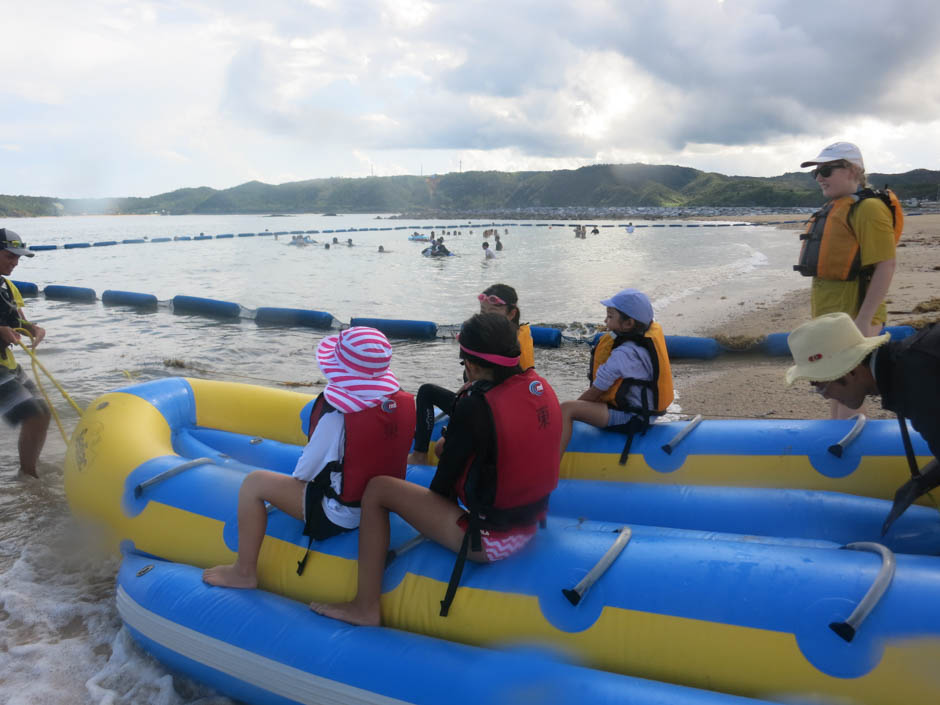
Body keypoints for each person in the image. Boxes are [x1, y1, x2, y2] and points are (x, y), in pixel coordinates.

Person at [310, 313, 561, 625]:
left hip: (488, 541)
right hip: (531, 526)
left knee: (377, 488)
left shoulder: (474, 405)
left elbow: (441, 489)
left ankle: (365, 606)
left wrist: (446, 449)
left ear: (471, 364)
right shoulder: (538, 387)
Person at [203, 327, 415, 589]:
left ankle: (244, 571)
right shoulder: (396, 405)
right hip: (380, 508)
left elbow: (304, 474)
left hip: (340, 514)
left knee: (253, 483)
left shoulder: (336, 419)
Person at [785, 313, 940, 535]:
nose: (825, 396)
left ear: (851, 370)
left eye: (820, 385)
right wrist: (920, 482)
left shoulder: (918, 381)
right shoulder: (905, 368)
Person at [796, 142, 902, 419]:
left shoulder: (868, 209)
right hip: (830, 316)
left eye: (827, 170)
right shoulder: (836, 207)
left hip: (855, 316)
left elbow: (886, 264)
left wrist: (864, 320)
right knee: (836, 391)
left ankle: (855, 454)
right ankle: (839, 443)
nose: (820, 177)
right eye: (816, 173)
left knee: (849, 393)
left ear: (854, 170)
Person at [408, 284, 535, 465]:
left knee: (427, 394)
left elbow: (518, 386)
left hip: (488, 412)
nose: (486, 317)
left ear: (511, 313)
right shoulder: (495, 337)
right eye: (483, 312)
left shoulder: (514, 342)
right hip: (482, 405)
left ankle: (419, 454)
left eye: (493, 312)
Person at [559, 288, 673, 462]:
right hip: (644, 413)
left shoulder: (625, 353)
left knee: (567, 409)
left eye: (610, 316)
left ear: (628, 324)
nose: (605, 320)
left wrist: (571, 412)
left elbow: (594, 393)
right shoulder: (643, 340)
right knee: (575, 407)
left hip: (631, 418)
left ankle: (550, 467)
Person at [0, 229, 50, 478]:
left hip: (5, 363)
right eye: (10, 256)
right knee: (34, 415)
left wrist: (34, 329)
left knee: (43, 412)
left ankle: (26, 474)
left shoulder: (7, 286)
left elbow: (19, 320)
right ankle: (29, 477)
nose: (15, 263)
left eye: (18, 257)